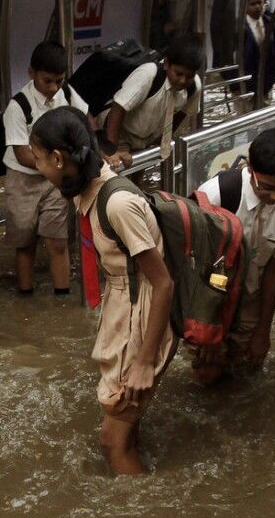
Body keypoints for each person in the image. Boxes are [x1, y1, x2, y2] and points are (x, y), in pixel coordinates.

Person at [31, 106, 177, 475]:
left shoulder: (117, 203)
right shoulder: (87, 189)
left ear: (58, 158)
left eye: (37, 158)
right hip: (122, 305)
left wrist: (143, 362)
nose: (36, 166)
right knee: (127, 430)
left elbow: (162, 283)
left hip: (141, 313)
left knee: (111, 442)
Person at [193, 127, 275, 384]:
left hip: (251, 292)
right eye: (267, 188)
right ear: (249, 168)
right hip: (210, 291)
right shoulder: (217, 194)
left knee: (247, 363)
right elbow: (194, 263)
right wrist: (208, 327)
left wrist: (263, 331)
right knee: (206, 369)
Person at [3, 41, 88, 296]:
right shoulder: (17, 106)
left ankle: (62, 298)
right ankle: (25, 296)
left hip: (55, 181)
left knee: (58, 242)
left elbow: (86, 123)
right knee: (25, 244)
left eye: (58, 81)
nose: (53, 88)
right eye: (47, 80)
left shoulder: (69, 96)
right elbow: (21, 154)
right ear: (31, 73)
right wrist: (57, 166)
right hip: (23, 179)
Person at [98, 35, 203, 171]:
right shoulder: (148, 74)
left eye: (189, 76)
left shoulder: (194, 86)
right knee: (116, 177)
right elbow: (118, 108)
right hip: (118, 133)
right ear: (166, 64)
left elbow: (181, 114)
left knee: (137, 179)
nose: (183, 81)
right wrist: (111, 149)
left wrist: (162, 139)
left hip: (145, 139)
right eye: (178, 74)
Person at [239, 0, 275, 111]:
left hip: (266, 84)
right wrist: (236, 85)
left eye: (260, 3)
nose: (257, 7)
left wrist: (273, 76)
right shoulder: (238, 27)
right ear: (245, 5)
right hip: (244, 86)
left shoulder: (271, 24)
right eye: (253, 4)